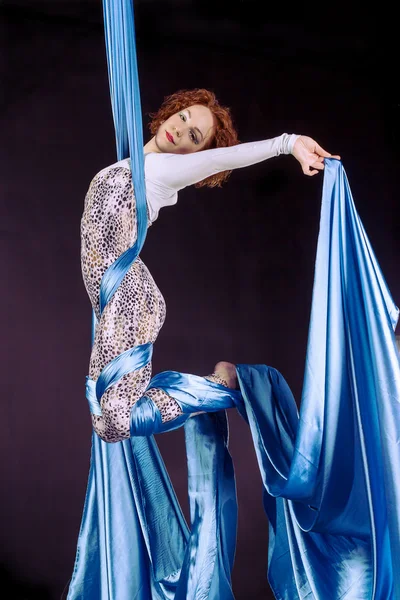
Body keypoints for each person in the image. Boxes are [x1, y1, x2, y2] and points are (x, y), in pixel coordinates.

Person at [81, 88, 339, 443]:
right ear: (173, 110)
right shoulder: (135, 161)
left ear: (195, 155)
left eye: (194, 136)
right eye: (183, 117)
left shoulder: (162, 170)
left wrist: (287, 142)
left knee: (113, 422)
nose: (180, 129)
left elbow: (225, 158)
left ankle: (222, 385)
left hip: (129, 299)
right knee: (110, 417)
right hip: (121, 297)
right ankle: (217, 386)